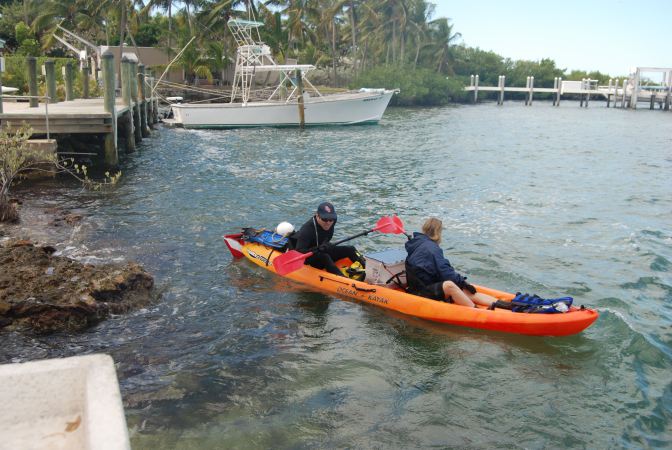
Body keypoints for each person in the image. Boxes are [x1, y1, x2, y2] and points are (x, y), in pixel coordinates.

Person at [405, 217, 496, 308]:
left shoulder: (416, 244)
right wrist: (463, 283)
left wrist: (462, 284)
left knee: (462, 289)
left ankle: (504, 304)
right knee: (450, 285)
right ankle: (476, 310)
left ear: (424, 228)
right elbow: (445, 272)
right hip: (421, 291)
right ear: (438, 232)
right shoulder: (432, 248)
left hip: (421, 285)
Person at [294, 202, 364, 276]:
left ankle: (369, 269)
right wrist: (318, 248)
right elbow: (299, 253)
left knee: (350, 249)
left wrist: (324, 246)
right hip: (309, 256)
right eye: (324, 219)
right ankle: (343, 280)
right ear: (317, 216)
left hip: (323, 248)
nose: (328, 222)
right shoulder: (306, 230)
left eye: (331, 219)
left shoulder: (333, 221)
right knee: (325, 257)